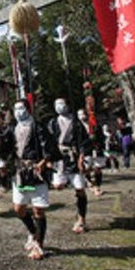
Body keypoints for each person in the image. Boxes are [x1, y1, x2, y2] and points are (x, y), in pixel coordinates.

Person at [10, 99, 57, 260]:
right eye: (15, 108)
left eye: (21, 108)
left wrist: (44, 161)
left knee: (38, 209)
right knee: (19, 208)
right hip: (20, 172)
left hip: (36, 170)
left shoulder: (38, 126)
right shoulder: (13, 127)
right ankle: (32, 231)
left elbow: (49, 146)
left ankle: (39, 244)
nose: (18, 111)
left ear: (28, 109)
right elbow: (7, 145)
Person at [48, 98, 90, 234]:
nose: (59, 106)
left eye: (62, 103)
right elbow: (48, 141)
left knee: (80, 189)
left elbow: (84, 141)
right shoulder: (53, 122)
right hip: (59, 158)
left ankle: (81, 218)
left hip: (74, 156)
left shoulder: (76, 123)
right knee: (58, 186)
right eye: (56, 104)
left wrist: (82, 157)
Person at [77, 109, 105, 197]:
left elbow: (101, 136)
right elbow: (78, 140)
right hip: (85, 150)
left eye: (83, 114)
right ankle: (91, 184)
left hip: (97, 149)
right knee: (87, 169)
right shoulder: (77, 127)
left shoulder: (94, 124)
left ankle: (97, 186)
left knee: (98, 168)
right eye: (80, 114)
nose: (82, 116)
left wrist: (99, 143)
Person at [0, 110, 15, 195]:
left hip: (4, 151)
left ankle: (4, 185)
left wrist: (0, 139)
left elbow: (8, 138)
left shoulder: (7, 128)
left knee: (2, 168)